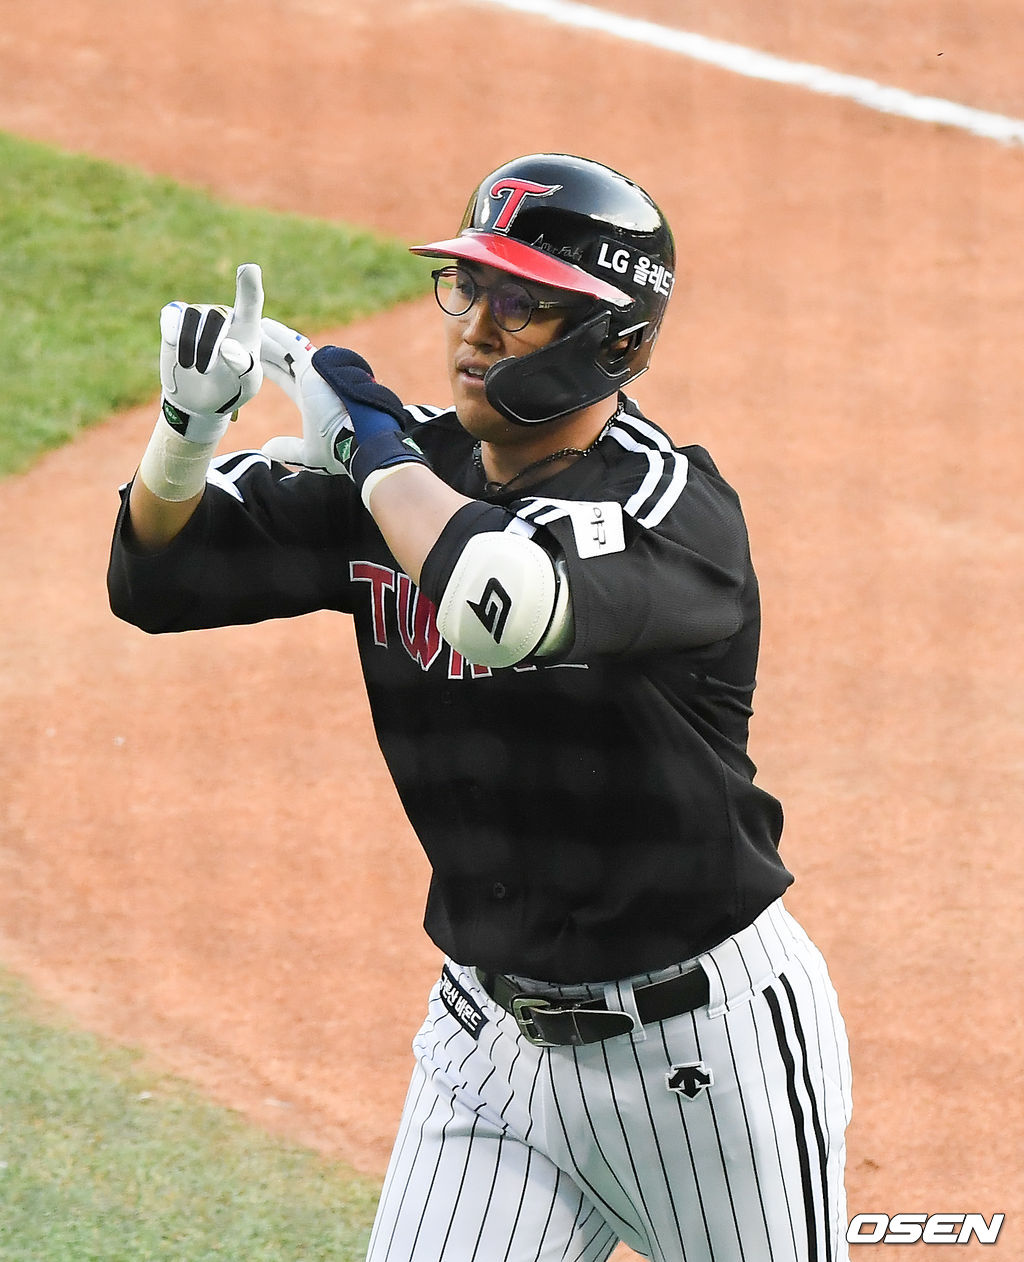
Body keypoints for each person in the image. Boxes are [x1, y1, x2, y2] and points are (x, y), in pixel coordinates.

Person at [108, 153, 853, 1262]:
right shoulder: (408, 468)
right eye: (470, 288)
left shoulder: (670, 507)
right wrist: (184, 430)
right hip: (485, 1045)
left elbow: (498, 602)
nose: (478, 327)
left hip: (704, 1060)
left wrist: (367, 453)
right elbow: (154, 584)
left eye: (524, 301)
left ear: (615, 337)